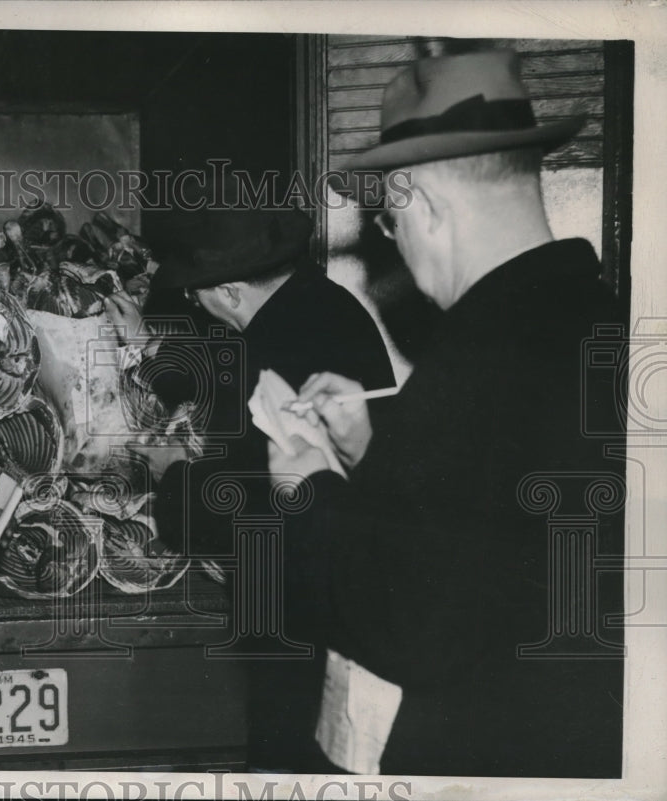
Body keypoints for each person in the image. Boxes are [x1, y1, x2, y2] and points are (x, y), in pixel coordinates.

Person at [270, 50, 625, 777]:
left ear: (420, 204)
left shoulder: (475, 360)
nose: (392, 241)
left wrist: (305, 486)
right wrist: (378, 446)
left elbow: (408, 618)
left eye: (389, 221)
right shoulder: (594, 319)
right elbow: (493, 538)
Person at [104, 201, 395, 772]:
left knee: (291, 760)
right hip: (335, 589)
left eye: (198, 296)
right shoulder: (316, 306)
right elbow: (225, 363)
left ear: (231, 291)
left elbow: (238, 507)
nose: (198, 306)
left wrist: (171, 474)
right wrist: (150, 344)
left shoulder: (277, 348)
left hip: (300, 612)